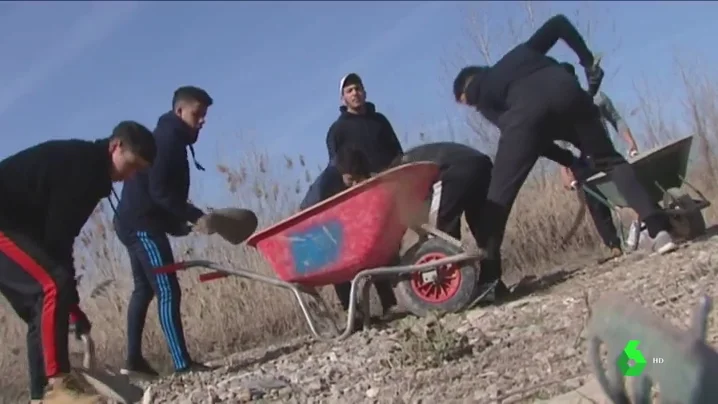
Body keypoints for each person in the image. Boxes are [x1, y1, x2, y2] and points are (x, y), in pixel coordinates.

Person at [452, 14, 677, 302]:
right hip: (569, 94)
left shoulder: (481, 93)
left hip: (525, 119)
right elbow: (558, 23)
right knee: (612, 161)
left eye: (464, 102)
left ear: (465, 90)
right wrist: (588, 62)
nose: (468, 106)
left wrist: (564, 158)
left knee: (498, 199)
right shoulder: (521, 54)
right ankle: (659, 231)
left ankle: (489, 282)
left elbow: (526, 137)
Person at [0, 122, 156, 404]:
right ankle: (57, 387)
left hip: (15, 228)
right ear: (115, 146)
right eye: (131, 166)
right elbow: (57, 243)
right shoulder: (82, 168)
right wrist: (70, 303)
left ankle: (41, 397)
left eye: (138, 171)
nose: (130, 176)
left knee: (45, 305)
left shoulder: (90, 170)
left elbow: (56, 243)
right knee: (51, 287)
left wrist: (70, 308)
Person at [114, 86, 217, 378]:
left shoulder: (171, 138)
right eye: (197, 114)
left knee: (144, 289)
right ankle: (182, 363)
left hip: (132, 221)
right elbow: (159, 193)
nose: (202, 121)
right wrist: (196, 217)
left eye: (205, 115)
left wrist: (179, 224)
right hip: (142, 224)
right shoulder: (167, 141)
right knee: (167, 289)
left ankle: (133, 360)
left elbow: (160, 193)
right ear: (179, 111)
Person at [300, 146, 399, 324]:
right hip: (315, 221)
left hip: (343, 217)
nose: (354, 184)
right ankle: (353, 313)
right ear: (341, 173)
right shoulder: (328, 182)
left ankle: (389, 304)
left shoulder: (360, 172)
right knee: (337, 262)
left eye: (357, 180)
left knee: (373, 252)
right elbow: (320, 213)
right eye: (350, 180)